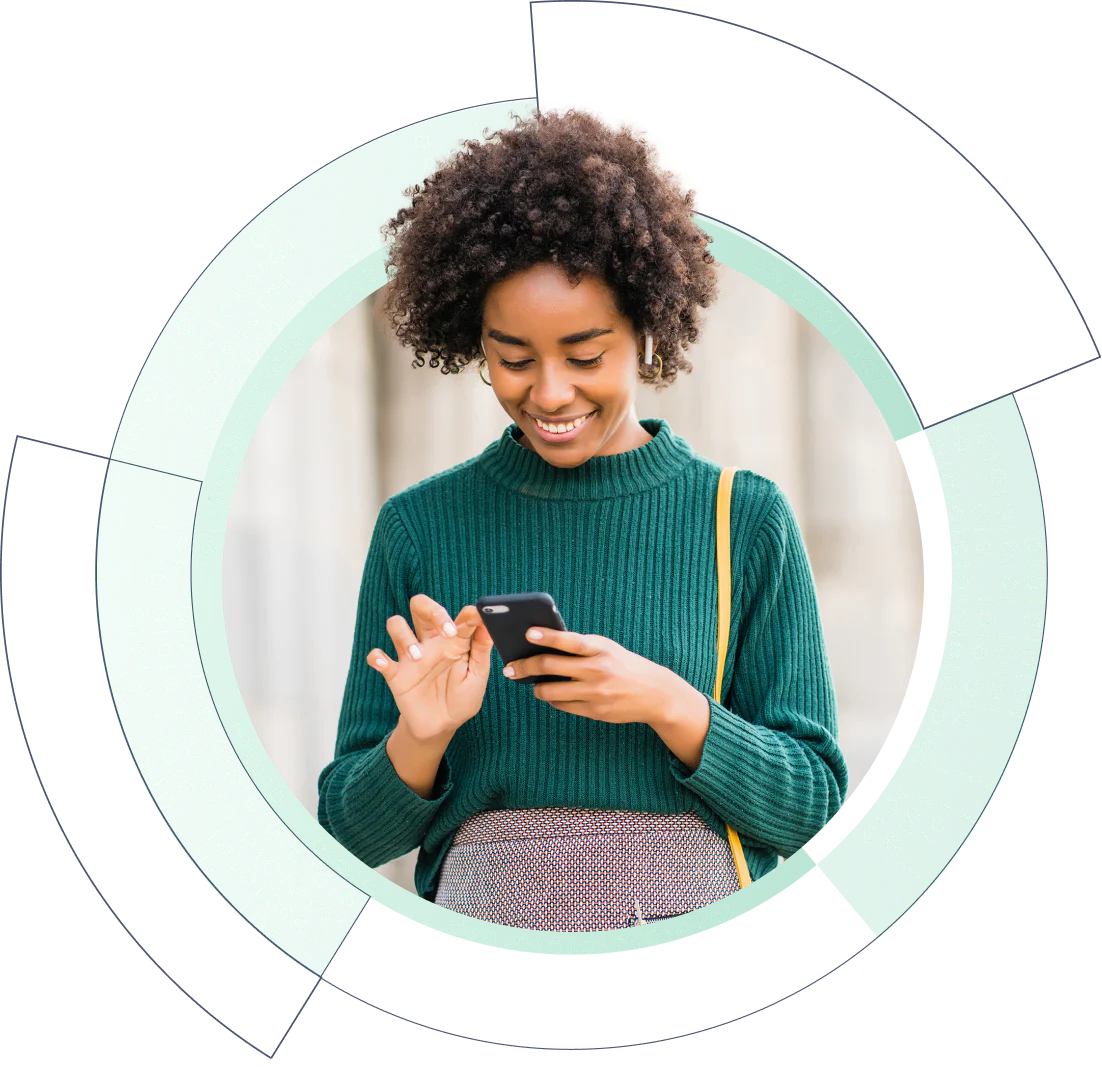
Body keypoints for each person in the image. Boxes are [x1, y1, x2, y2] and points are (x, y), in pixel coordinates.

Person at [318, 105, 847, 933]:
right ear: (474, 342)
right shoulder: (419, 526)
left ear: (646, 325)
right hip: (490, 940)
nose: (551, 393)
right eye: (513, 358)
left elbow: (809, 802)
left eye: (587, 354)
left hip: (697, 944)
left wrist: (670, 704)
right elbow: (351, 830)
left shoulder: (743, 518)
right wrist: (418, 741)